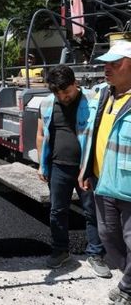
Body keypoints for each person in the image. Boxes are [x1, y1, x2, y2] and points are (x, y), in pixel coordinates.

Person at [35, 65, 110, 276]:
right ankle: (60, 251)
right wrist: (42, 163)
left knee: (92, 212)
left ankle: (95, 254)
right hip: (58, 167)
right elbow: (41, 134)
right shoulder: (47, 103)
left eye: (65, 91)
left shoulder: (93, 100)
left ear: (75, 83)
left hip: (86, 167)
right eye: (57, 92)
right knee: (57, 211)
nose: (62, 96)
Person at [79, 41, 131, 304]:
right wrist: (85, 168)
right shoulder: (102, 94)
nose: (107, 69)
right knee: (108, 236)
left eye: (115, 63)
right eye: (105, 64)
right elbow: (91, 134)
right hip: (103, 182)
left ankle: (128, 288)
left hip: (129, 185)